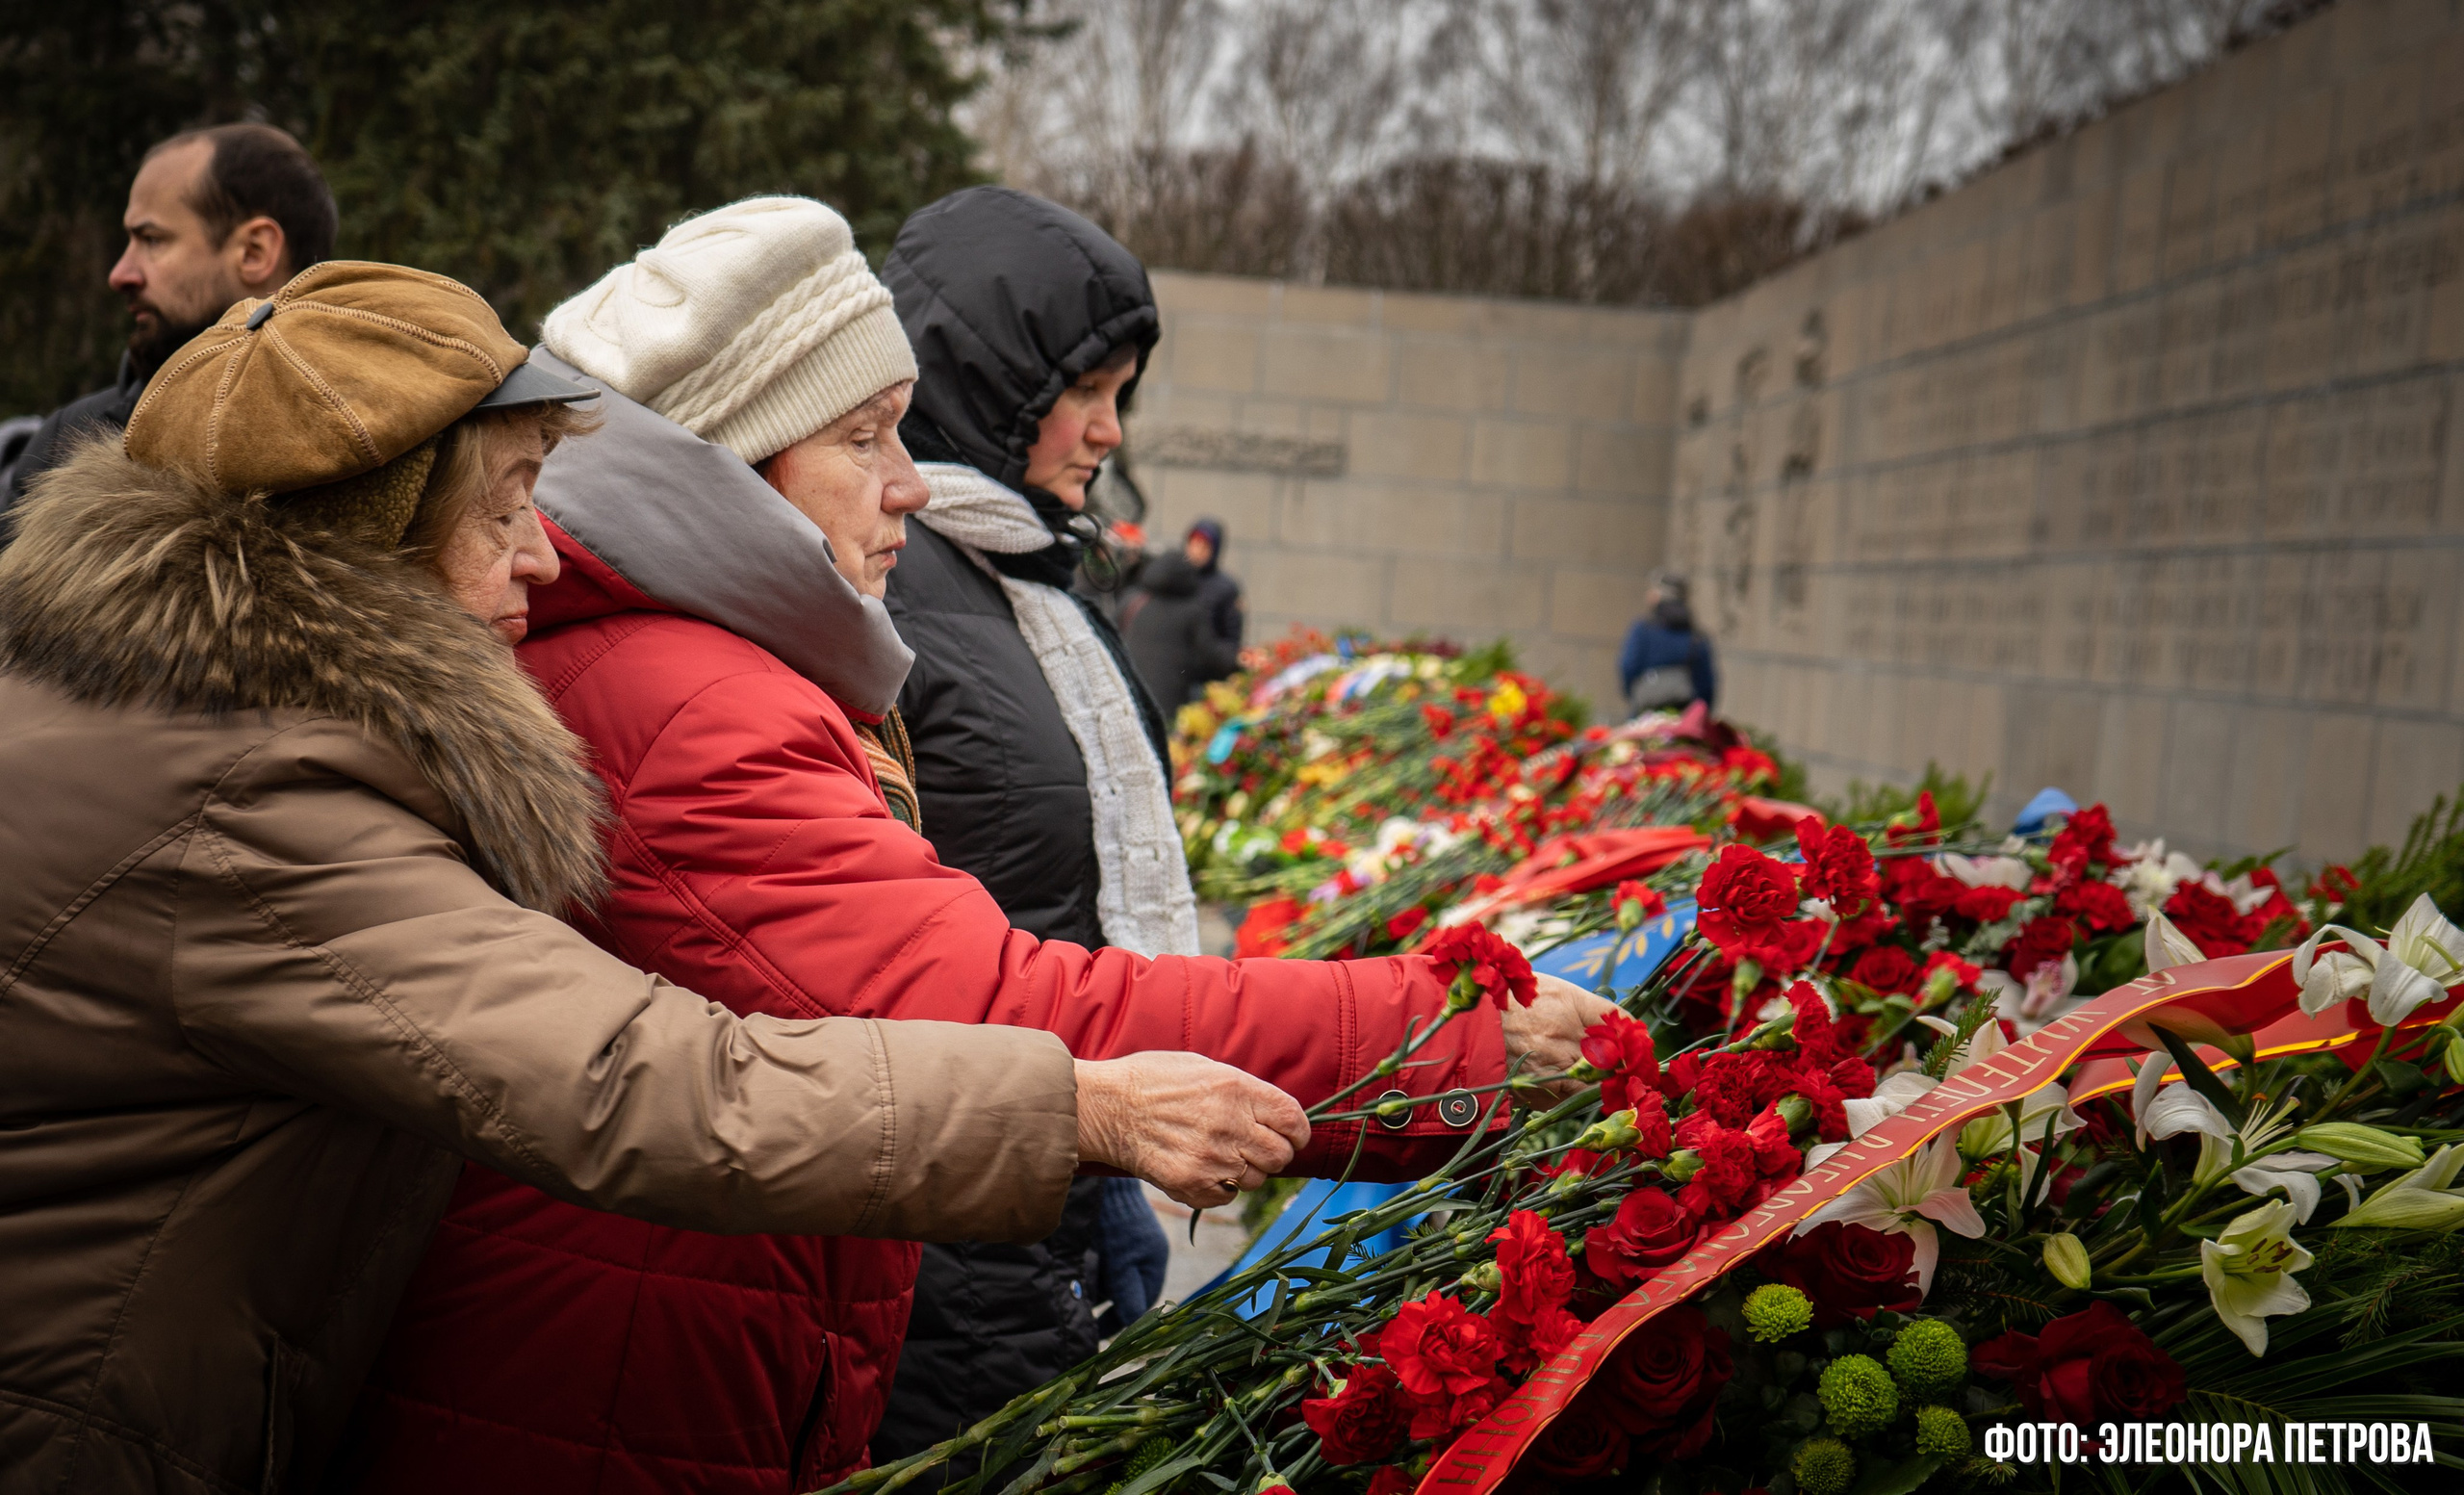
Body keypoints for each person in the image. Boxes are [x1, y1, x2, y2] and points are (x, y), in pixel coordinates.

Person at [346, 196, 1614, 1494]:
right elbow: (993, 1003)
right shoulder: (690, 703)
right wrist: (1450, 1034)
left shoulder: (704, 662)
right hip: (611, 1389)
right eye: (865, 438)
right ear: (727, 467)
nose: (910, 484)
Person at [0, 262, 1293, 1492]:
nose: (544, 557)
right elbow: (641, 1082)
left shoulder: (183, 704)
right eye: (503, 508)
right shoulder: (256, 798)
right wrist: (1077, 1107)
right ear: (365, 529)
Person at [1, 122, 334, 538]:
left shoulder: (379, 439)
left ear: (254, 252)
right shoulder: (66, 443)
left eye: (152, 239)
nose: (120, 274)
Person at [1123, 517, 1245, 709]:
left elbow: (1228, 636)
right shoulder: (1169, 597)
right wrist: (1239, 660)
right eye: (1193, 543)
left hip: (1202, 677)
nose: (1197, 551)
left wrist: (1232, 659)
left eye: (1204, 546)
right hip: (1178, 679)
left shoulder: (1224, 588)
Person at [1619, 571, 1717, 715]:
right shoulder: (1697, 637)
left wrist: (1636, 695)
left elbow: (1628, 667)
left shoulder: (1643, 630)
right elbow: (1707, 685)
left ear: (1657, 596)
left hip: (1645, 714)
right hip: (1684, 718)